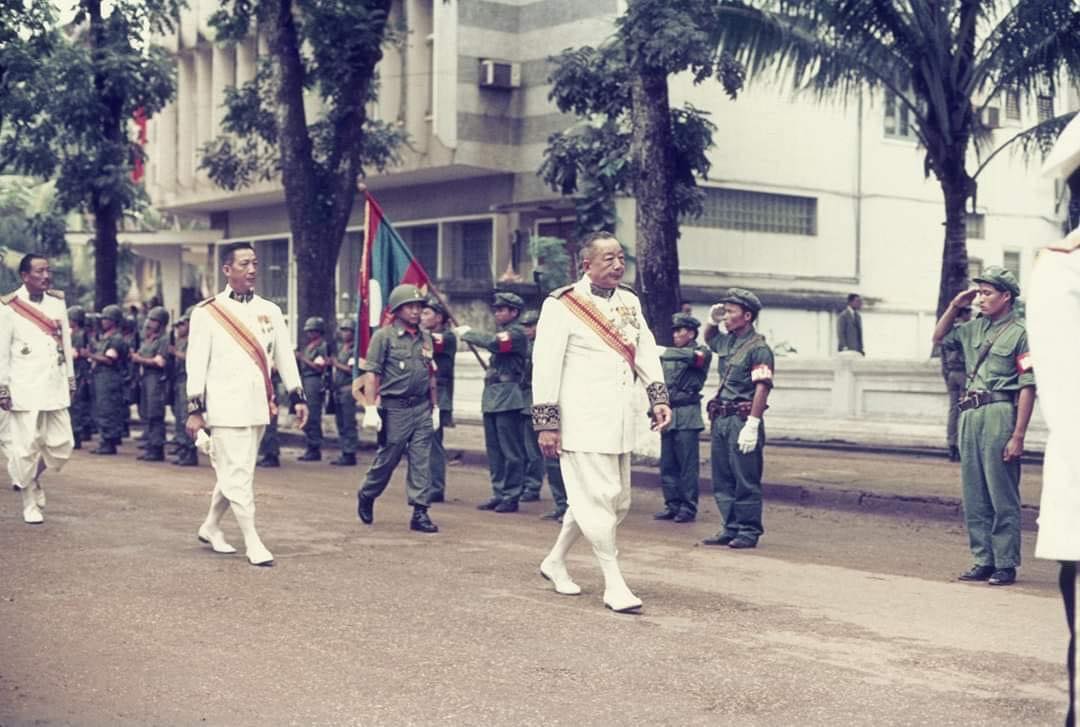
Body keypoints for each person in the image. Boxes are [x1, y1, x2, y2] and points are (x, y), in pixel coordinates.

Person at [532, 231, 672, 614]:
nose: (617, 265)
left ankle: (555, 560)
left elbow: (645, 350)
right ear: (587, 264)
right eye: (608, 258)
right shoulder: (561, 305)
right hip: (581, 422)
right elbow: (545, 366)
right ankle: (614, 584)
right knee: (600, 499)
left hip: (619, 421)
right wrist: (546, 423)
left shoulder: (629, 300)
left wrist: (658, 396)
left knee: (614, 500)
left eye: (620, 257)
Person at [185, 242, 309, 566]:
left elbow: (285, 356)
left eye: (254, 263)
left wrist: (297, 396)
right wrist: (195, 410)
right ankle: (253, 540)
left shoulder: (271, 310)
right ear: (227, 269)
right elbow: (196, 363)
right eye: (244, 264)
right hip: (225, 407)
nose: (252, 269)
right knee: (239, 475)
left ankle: (211, 526)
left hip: (258, 405)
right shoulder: (207, 313)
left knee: (236, 471)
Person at [931, 267, 1034, 586]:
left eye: (988, 293)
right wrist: (955, 305)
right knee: (974, 492)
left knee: (1001, 493)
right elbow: (938, 337)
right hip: (970, 415)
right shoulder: (972, 329)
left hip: (999, 413)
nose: (981, 299)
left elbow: (1028, 386)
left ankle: (1005, 563)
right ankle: (983, 559)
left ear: (1006, 296)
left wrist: (1018, 435)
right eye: (980, 293)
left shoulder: (1021, 333)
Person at [355, 284, 440, 534]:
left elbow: (430, 374)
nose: (415, 311)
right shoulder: (384, 337)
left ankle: (420, 511)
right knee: (388, 458)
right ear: (397, 310)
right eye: (409, 307)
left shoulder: (425, 337)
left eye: (419, 307)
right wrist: (371, 407)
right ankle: (368, 492)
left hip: (421, 407)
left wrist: (435, 407)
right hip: (395, 409)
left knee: (421, 459)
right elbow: (372, 374)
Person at [0, 254, 74, 524]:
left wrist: (70, 378)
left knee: (63, 446)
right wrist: (3, 388)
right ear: (25, 276)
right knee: (25, 449)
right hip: (25, 387)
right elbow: (2, 353)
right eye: (40, 271)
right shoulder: (8, 307)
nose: (46, 276)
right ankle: (29, 502)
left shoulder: (57, 302)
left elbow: (65, 344)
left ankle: (32, 477)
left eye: (48, 271)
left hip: (54, 384)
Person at [702, 289, 775, 549]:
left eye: (730, 312)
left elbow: (762, 388)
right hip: (722, 418)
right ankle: (730, 526)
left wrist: (753, 424)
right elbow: (710, 340)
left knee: (745, 477)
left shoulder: (760, 349)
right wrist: (711, 321)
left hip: (742, 419)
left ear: (747, 316)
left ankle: (748, 530)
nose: (725, 316)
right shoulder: (729, 341)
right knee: (722, 477)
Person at [457, 291, 529, 513]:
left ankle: (511, 494)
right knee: (495, 450)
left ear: (514, 312)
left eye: (501, 309)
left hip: (508, 397)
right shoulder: (505, 332)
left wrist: (469, 333)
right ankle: (499, 492)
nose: (496, 313)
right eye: (495, 309)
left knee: (511, 450)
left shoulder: (517, 333)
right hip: (493, 395)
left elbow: (494, 344)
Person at [655, 313, 712, 523]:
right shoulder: (668, 357)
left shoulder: (701, 352)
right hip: (669, 414)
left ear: (691, 333)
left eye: (680, 330)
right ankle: (672, 505)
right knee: (668, 464)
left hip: (688, 414)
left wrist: (663, 351)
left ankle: (688, 507)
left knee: (687, 466)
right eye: (674, 331)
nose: (676, 334)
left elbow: (694, 358)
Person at [520, 309, 568, 518]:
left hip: (557, 405)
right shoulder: (531, 346)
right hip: (538, 405)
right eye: (526, 326)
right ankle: (561, 505)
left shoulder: (552, 346)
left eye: (532, 325)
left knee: (559, 459)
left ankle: (570, 507)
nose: (528, 330)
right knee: (549, 459)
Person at [418, 298, 455, 501]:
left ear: (439, 317)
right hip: (424, 392)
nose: (421, 317)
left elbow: (430, 343)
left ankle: (436, 487)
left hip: (439, 395)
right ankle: (427, 483)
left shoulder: (447, 337)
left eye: (426, 313)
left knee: (433, 443)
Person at [88, 304, 130, 455]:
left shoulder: (116, 339)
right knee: (102, 408)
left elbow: (110, 360)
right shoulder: (106, 338)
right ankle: (105, 440)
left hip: (110, 378)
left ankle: (109, 441)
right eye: (103, 318)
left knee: (109, 410)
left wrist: (90, 355)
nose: (103, 321)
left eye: (107, 318)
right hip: (102, 378)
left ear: (114, 321)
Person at [131, 305, 170, 462]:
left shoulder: (164, 340)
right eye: (149, 319)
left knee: (155, 414)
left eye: (154, 320)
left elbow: (160, 362)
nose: (149, 322)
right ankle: (150, 446)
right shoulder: (148, 339)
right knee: (146, 413)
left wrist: (139, 359)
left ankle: (157, 447)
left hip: (156, 379)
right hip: (145, 379)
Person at [940, 305, 973, 462]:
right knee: (967, 410)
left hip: (951, 374)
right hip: (964, 374)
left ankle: (951, 444)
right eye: (969, 312)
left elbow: (942, 359)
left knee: (953, 411)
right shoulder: (966, 332)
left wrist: (947, 375)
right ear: (964, 314)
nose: (971, 315)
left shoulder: (947, 332)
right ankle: (962, 446)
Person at [327, 318, 359, 467]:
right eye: (343, 330)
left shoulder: (355, 350)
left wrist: (336, 363)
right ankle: (344, 451)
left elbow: (352, 370)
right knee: (340, 422)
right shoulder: (341, 348)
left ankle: (350, 453)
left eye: (348, 330)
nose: (345, 333)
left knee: (348, 422)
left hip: (348, 389)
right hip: (338, 390)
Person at [296, 316, 328, 461]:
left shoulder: (322, 346)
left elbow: (319, 367)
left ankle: (314, 447)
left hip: (314, 381)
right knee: (306, 415)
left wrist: (302, 358)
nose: (309, 334)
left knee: (313, 415)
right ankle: (310, 446)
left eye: (312, 331)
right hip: (306, 380)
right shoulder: (310, 346)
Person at [170, 308, 198, 466]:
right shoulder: (180, 341)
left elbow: (192, 359)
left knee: (187, 417)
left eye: (183, 324)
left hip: (188, 382)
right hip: (178, 380)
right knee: (179, 417)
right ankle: (182, 449)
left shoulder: (195, 340)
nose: (179, 328)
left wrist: (175, 353)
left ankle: (190, 451)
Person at [68, 305, 94, 450]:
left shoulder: (80, 335)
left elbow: (76, 354)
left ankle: (76, 435)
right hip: (74, 373)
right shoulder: (74, 334)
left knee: (76, 405)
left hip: (79, 373)